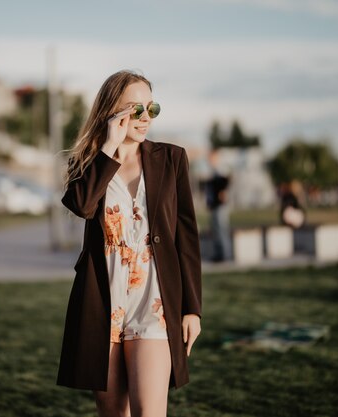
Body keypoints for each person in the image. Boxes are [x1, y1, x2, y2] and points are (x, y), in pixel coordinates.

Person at [58, 70, 202, 416]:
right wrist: (109, 147)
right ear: (113, 112)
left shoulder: (171, 159)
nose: (145, 118)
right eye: (136, 109)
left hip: (154, 300)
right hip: (102, 301)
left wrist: (192, 308)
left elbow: (186, 238)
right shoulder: (88, 163)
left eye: (152, 108)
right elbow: (81, 206)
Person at [205, 151, 232, 262]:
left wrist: (224, 192)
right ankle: (218, 254)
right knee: (216, 230)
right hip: (214, 205)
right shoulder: (213, 170)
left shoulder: (221, 169)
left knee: (221, 229)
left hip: (220, 206)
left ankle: (225, 255)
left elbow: (227, 181)